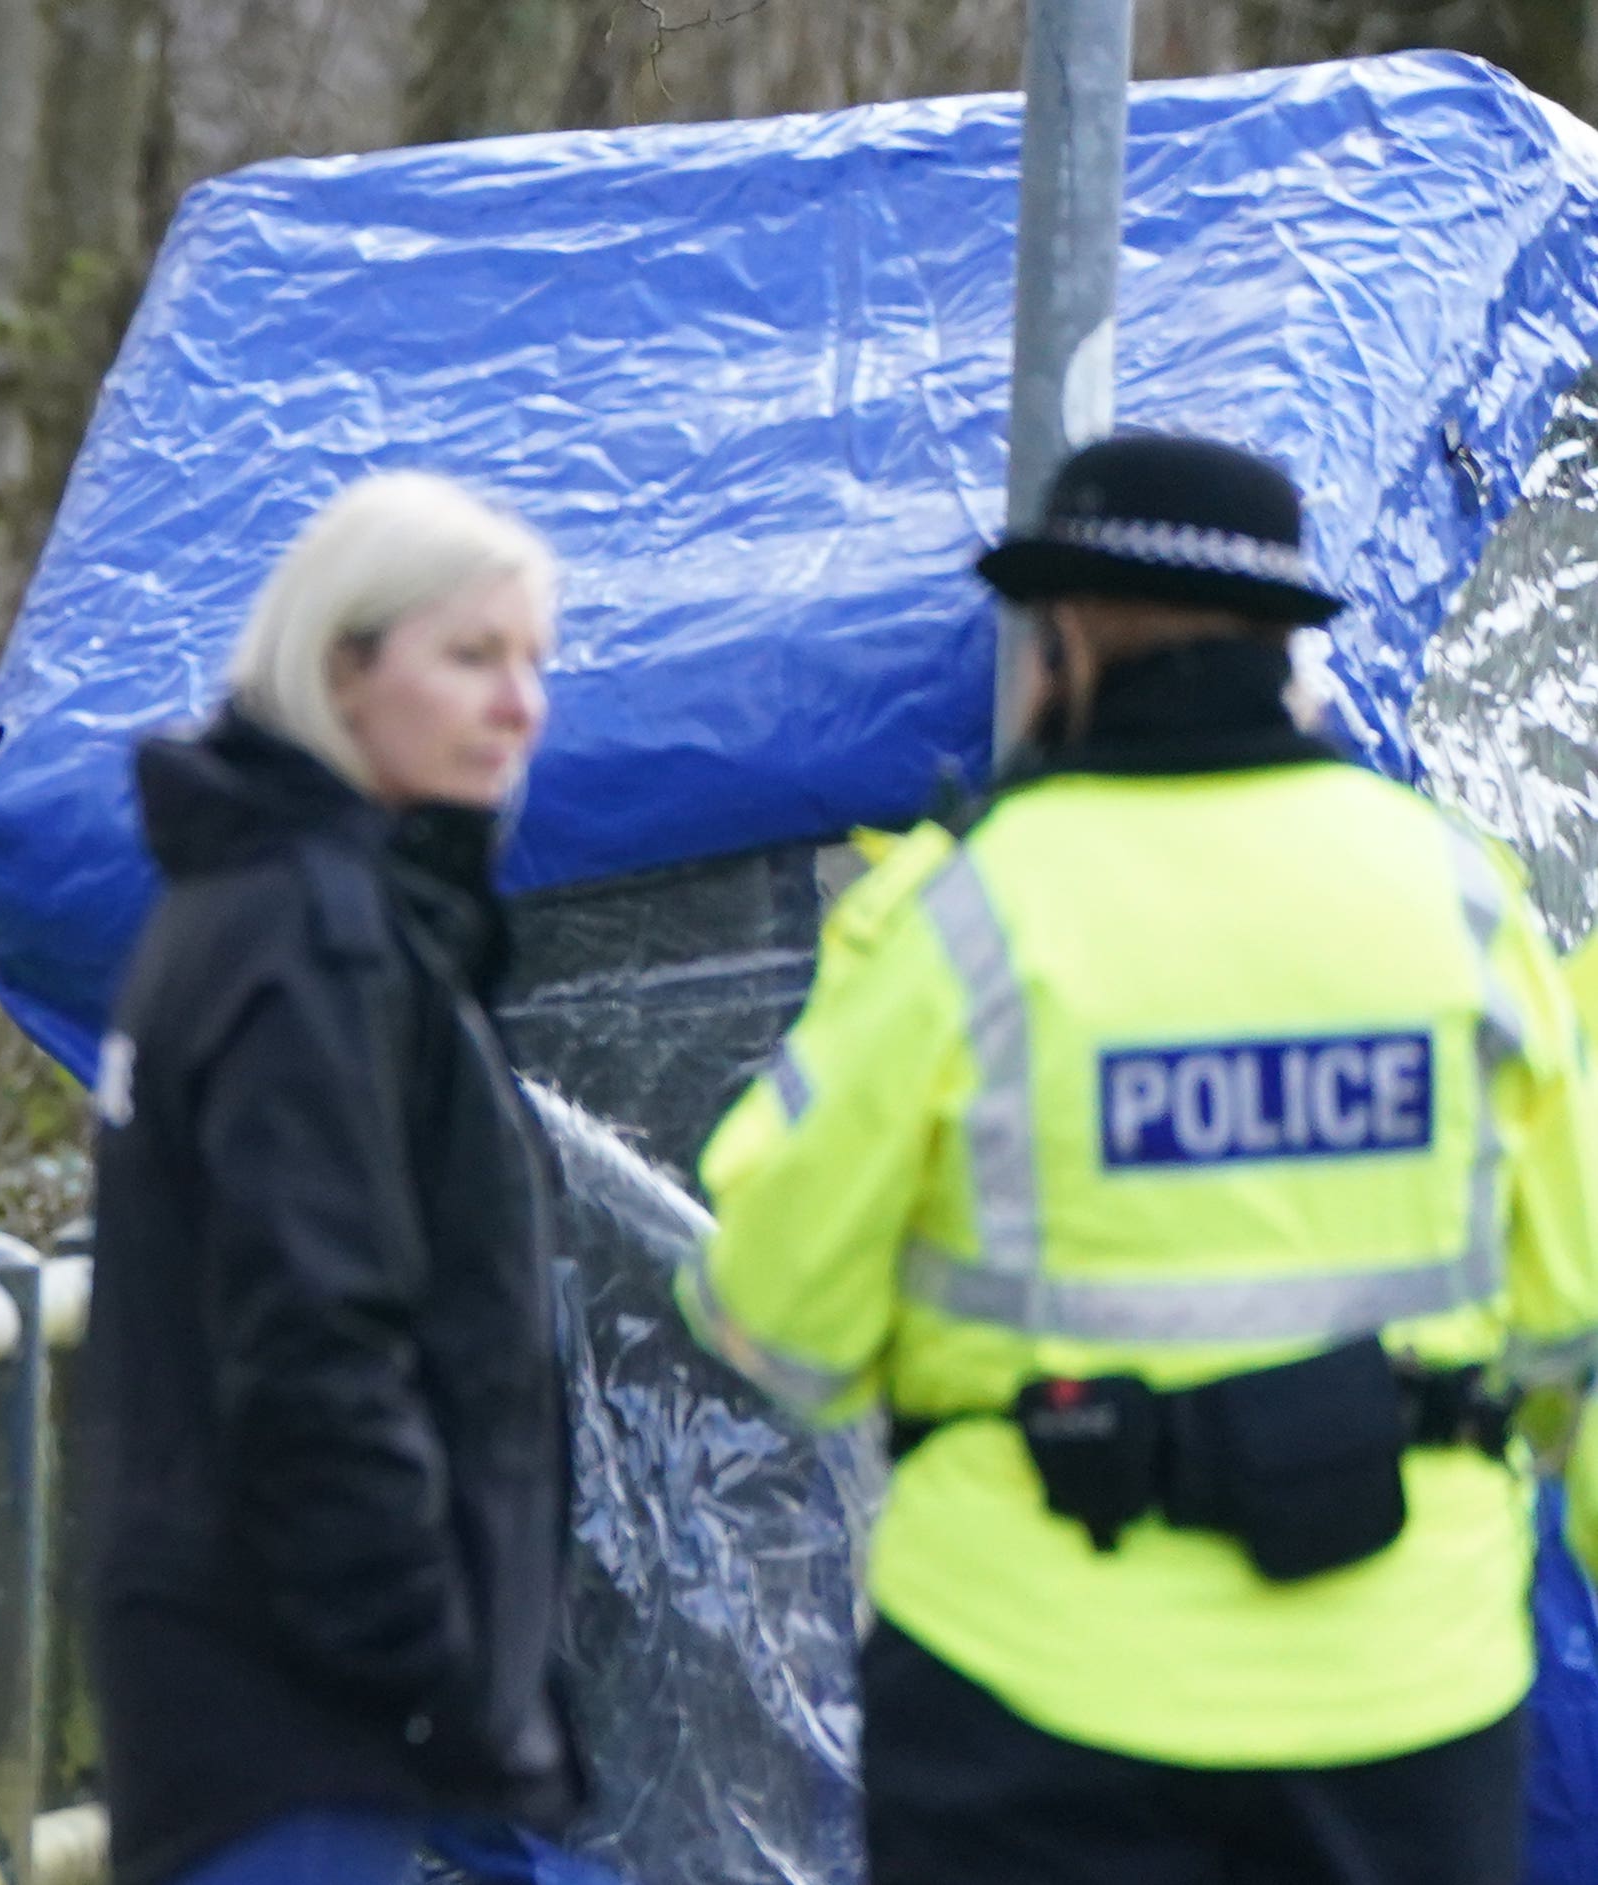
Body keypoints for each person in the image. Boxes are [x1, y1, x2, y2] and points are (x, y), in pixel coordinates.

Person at [680, 431, 1598, 1885]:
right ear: (1289, 645)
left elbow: (776, 1312)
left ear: (1066, 646)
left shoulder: (965, 915)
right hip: (1406, 1690)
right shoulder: (1455, 895)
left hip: (1036, 1691)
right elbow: (1564, 1314)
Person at [83, 472, 599, 1885]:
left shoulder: (254, 900)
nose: (519, 705)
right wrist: (434, 1657)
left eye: (534, 664)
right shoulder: (312, 935)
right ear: (340, 669)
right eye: (472, 656)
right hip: (296, 1706)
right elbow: (314, 1331)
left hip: (266, 1685)